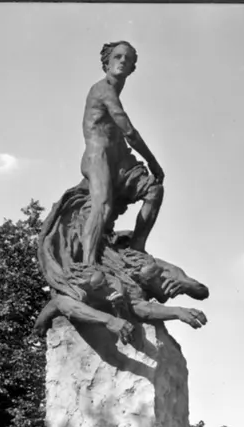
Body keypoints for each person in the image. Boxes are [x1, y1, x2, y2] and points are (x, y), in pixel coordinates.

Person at [81, 40, 166, 265]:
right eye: (117, 57)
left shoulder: (114, 90)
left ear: (132, 68)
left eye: (127, 59)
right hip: (98, 156)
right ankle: (88, 266)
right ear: (107, 62)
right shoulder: (102, 89)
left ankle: (136, 249)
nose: (122, 61)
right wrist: (152, 162)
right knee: (103, 205)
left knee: (154, 191)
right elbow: (129, 131)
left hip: (119, 158)